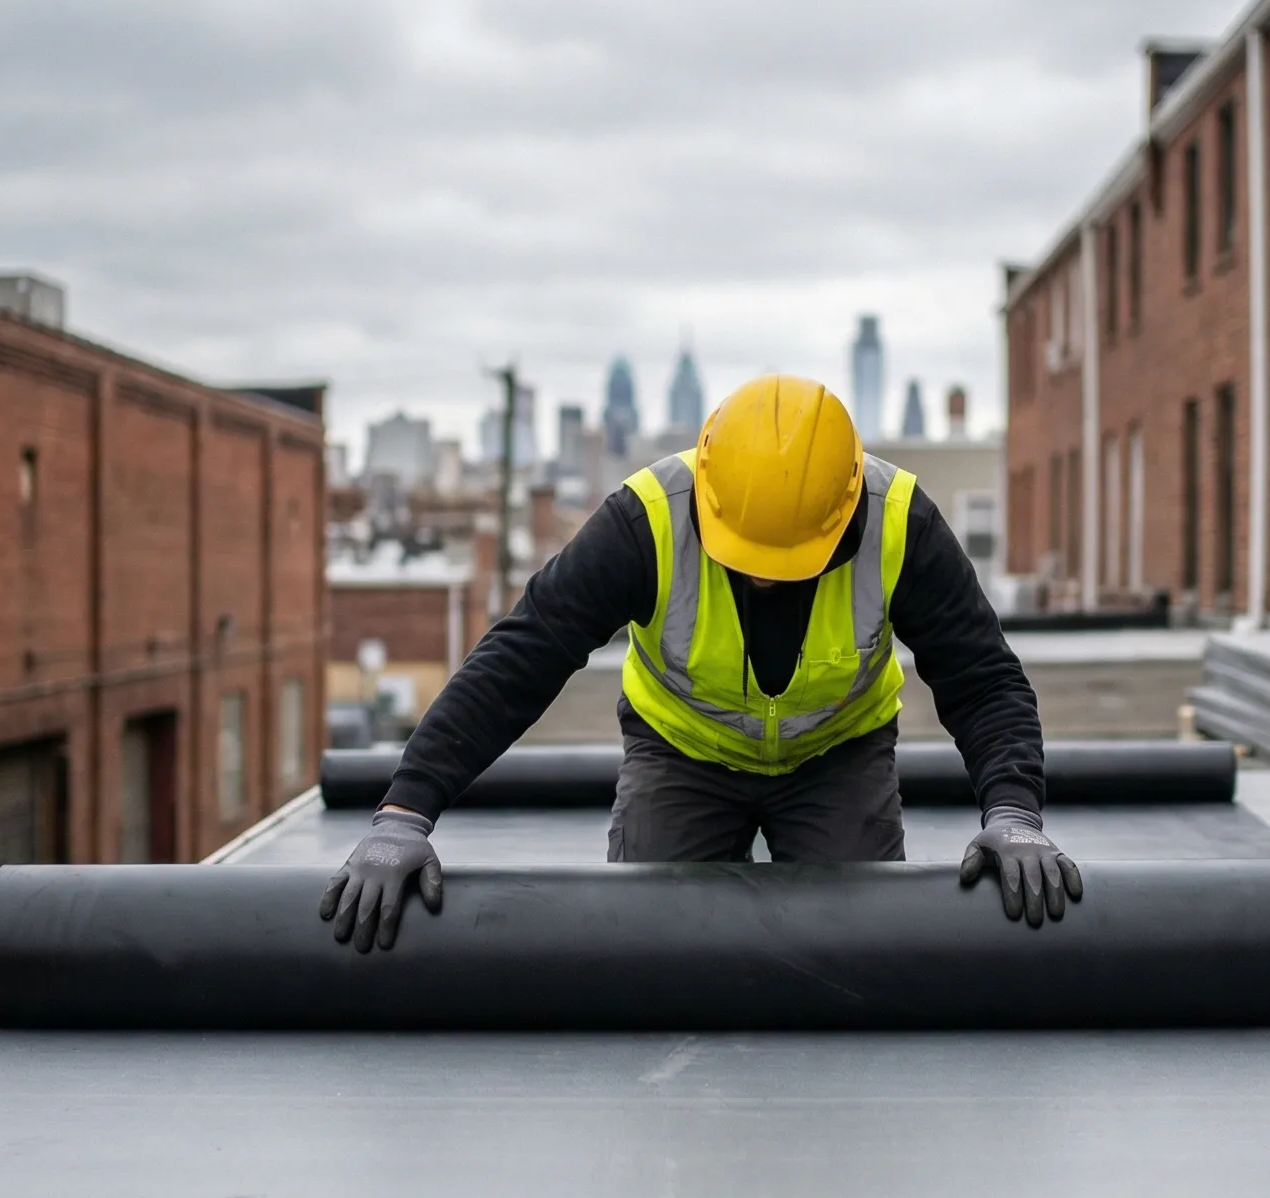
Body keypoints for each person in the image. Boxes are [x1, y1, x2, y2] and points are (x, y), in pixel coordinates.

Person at [319, 375, 1079, 952]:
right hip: (681, 755)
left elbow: (981, 677)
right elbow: (523, 655)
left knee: (858, 950)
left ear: (844, 513)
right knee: (649, 946)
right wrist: (404, 815)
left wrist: (1013, 811)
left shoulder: (900, 520)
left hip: (836, 758)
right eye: (748, 557)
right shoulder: (645, 519)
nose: (765, 579)